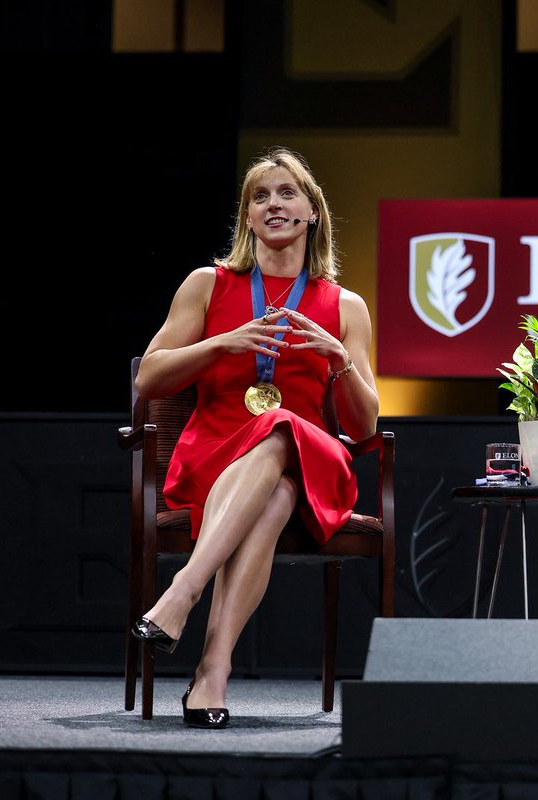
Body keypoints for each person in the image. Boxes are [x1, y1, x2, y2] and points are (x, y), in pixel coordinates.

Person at [130, 146, 379, 728]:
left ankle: (183, 590)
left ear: (312, 212)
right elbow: (149, 377)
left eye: (287, 193)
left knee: (284, 428)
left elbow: (366, 427)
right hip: (216, 455)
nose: (273, 204)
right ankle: (212, 673)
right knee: (271, 495)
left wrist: (340, 359)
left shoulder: (345, 306)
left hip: (313, 459)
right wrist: (224, 342)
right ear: (246, 217)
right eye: (259, 196)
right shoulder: (208, 285)